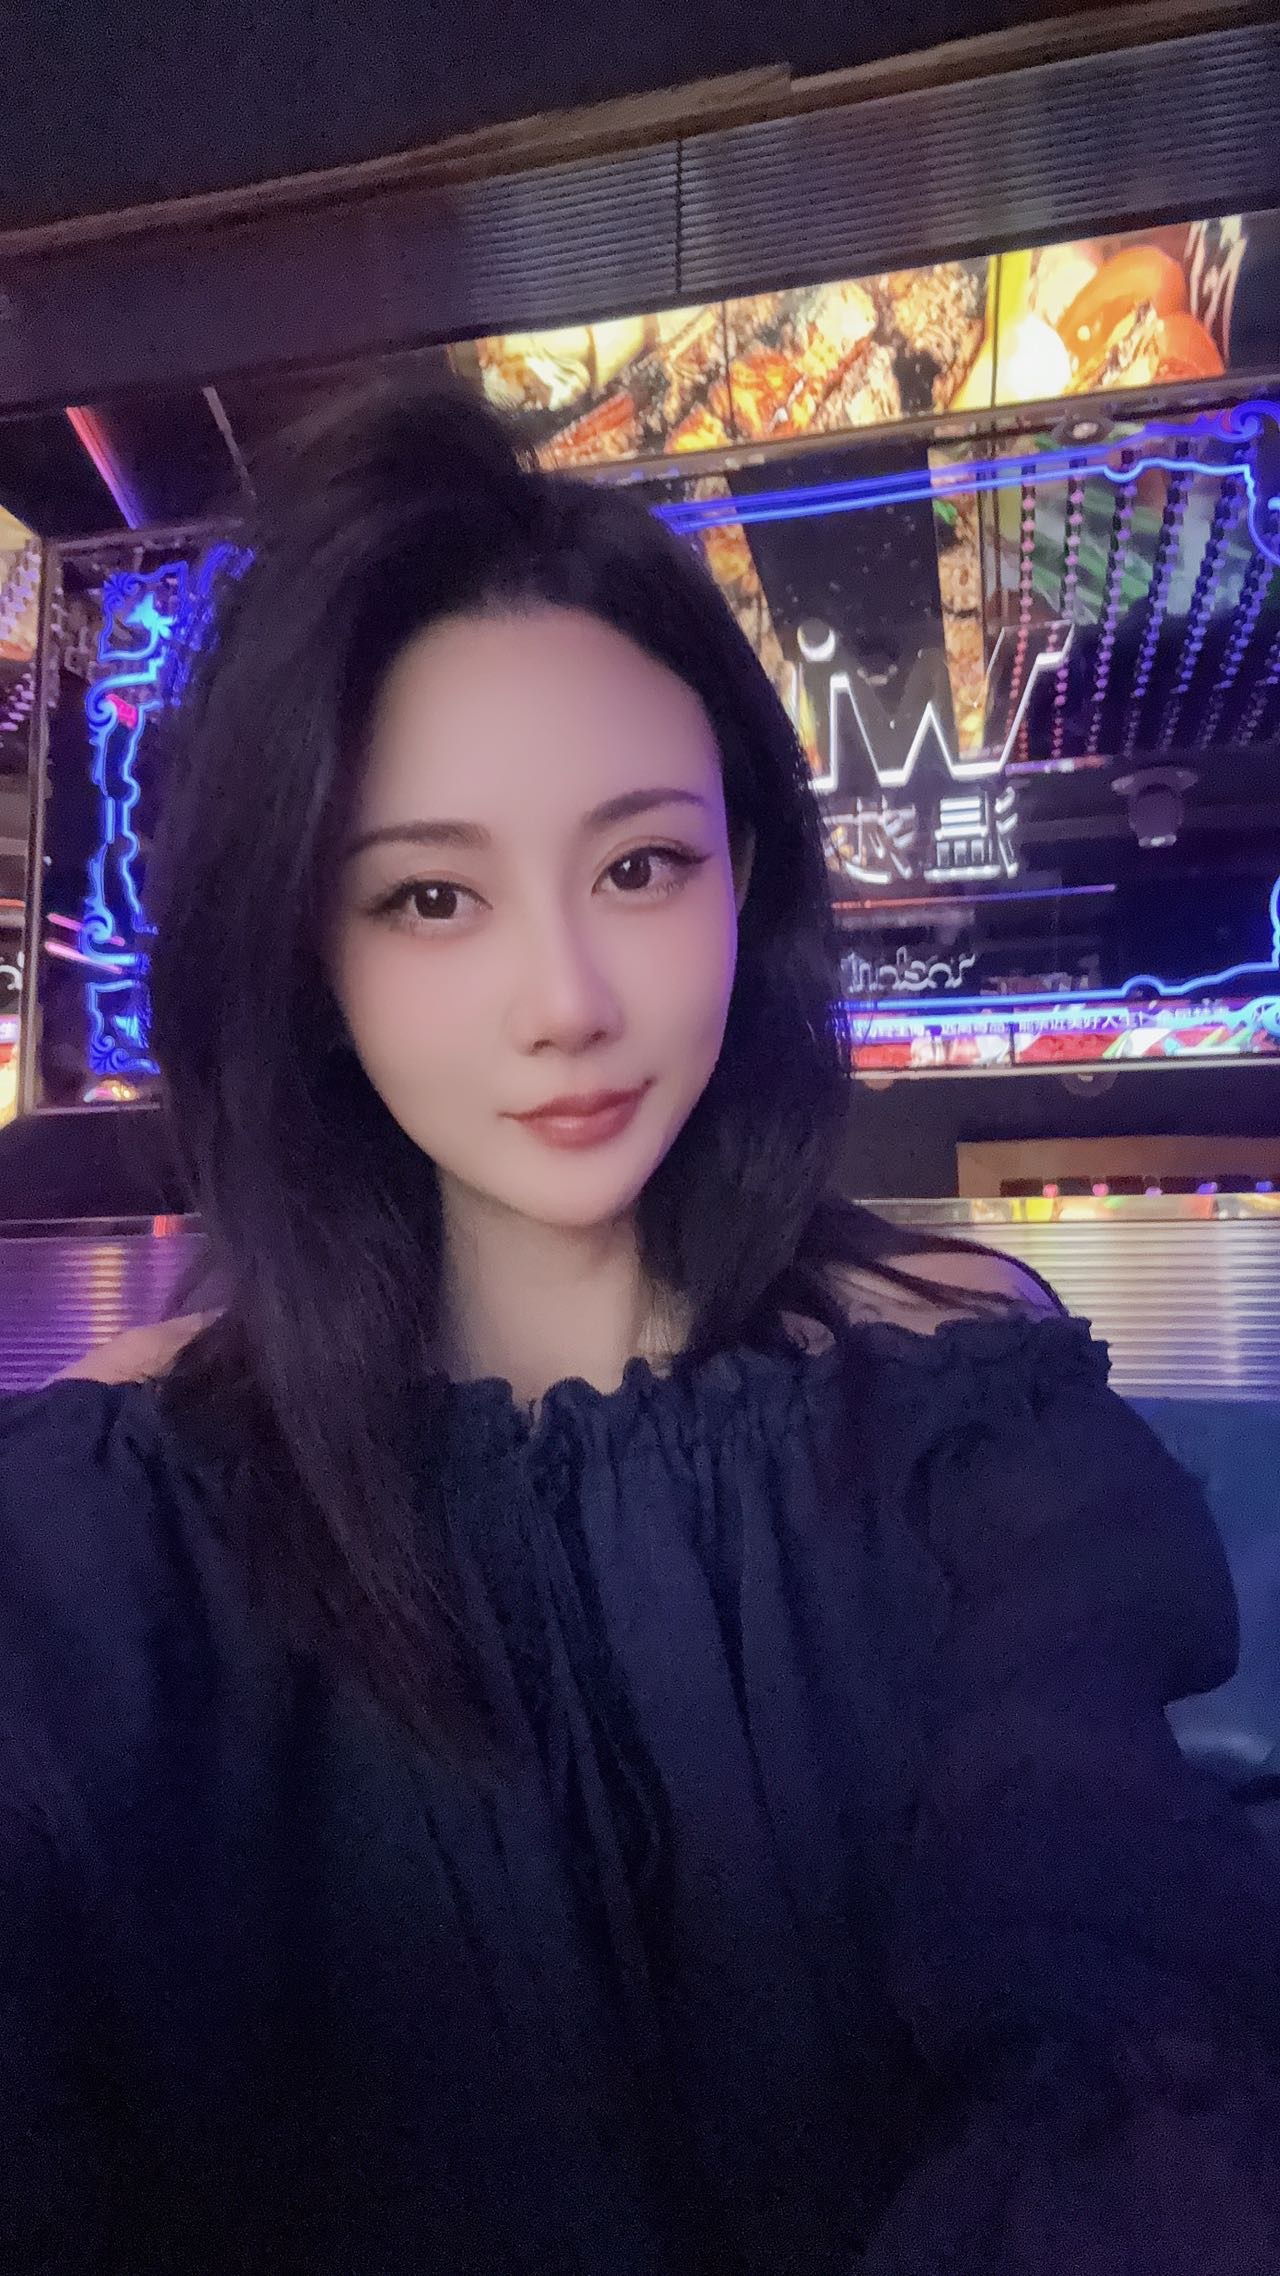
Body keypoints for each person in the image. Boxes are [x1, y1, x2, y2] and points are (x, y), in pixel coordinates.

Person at [3, 388, 1279, 2276]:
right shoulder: (111, 1537)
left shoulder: (950, 1393)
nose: (567, 1000)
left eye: (639, 866)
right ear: (309, 955)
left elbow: (1104, 1961)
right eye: (431, 897)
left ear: (743, 875)